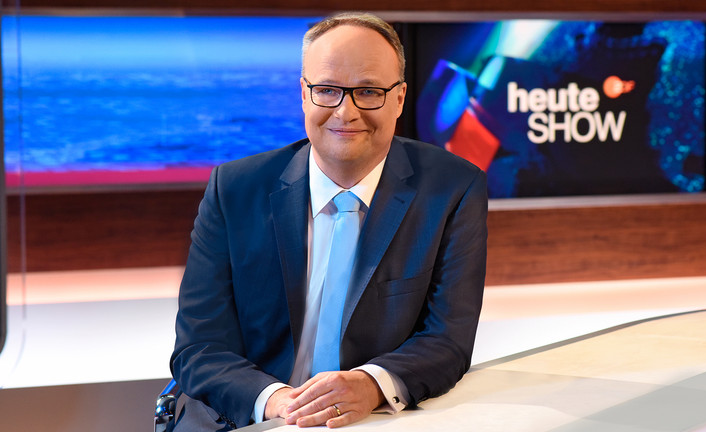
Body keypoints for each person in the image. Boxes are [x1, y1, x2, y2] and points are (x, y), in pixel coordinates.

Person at [171, 12, 488, 430]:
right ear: (304, 94)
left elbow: (447, 339)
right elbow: (199, 347)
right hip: (244, 417)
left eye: (369, 91)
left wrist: (371, 385)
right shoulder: (234, 189)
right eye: (327, 91)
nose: (345, 112)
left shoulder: (453, 188)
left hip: (369, 420)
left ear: (399, 99)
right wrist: (279, 403)